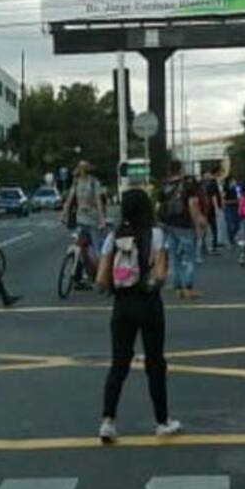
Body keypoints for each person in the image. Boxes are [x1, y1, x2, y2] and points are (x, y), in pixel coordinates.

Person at [94, 188, 181, 443]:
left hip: (122, 305)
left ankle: (108, 422)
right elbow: (162, 275)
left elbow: (100, 280)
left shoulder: (113, 237)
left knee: (118, 364)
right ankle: (162, 421)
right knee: (155, 362)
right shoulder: (155, 235)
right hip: (149, 303)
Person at [157, 160, 204, 300]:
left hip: (169, 224)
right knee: (189, 257)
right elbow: (192, 204)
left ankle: (178, 288)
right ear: (181, 169)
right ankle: (188, 288)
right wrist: (197, 224)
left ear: (169, 170)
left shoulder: (164, 186)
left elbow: (158, 207)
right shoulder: (187, 184)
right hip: (185, 224)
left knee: (173, 257)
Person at [60, 160, 107, 282]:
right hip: (80, 219)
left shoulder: (93, 182)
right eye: (80, 168)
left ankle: (103, 273)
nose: (81, 170)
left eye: (83, 168)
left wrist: (101, 219)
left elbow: (98, 201)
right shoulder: (76, 183)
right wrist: (64, 214)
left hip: (93, 219)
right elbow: (70, 200)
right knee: (80, 247)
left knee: (97, 250)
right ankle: (79, 275)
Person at [202, 170, 223, 253]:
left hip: (203, 209)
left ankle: (203, 246)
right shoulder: (212, 184)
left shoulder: (201, 185)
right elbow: (214, 197)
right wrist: (216, 207)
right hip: (210, 209)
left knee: (204, 228)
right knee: (214, 227)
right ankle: (214, 245)